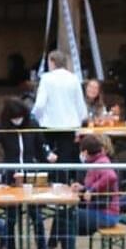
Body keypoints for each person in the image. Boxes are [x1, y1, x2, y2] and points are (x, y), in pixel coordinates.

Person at [0, 96, 51, 249]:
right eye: (13, 117)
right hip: (10, 178)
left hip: (31, 176)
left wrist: (48, 157)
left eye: (19, 116)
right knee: (11, 219)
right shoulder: (2, 128)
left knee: (36, 217)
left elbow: (41, 147)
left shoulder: (32, 125)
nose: (17, 120)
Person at [50, 134, 120, 249]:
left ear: (85, 152)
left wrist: (91, 190)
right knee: (63, 216)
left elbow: (111, 176)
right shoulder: (95, 162)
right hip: (96, 212)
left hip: (106, 215)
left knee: (66, 215)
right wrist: (83, 188)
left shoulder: (102, 163)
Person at [32, 50, 88, 180]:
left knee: (48, 157)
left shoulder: (46, 78)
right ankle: (63, 186)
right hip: (69, 125)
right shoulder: (74, 78)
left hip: (49, 124)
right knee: (65, 159)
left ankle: (49, 185)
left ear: (52, 62)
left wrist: (35, 117)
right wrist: (81, 123)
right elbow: (80, 104)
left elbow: (40, 104)